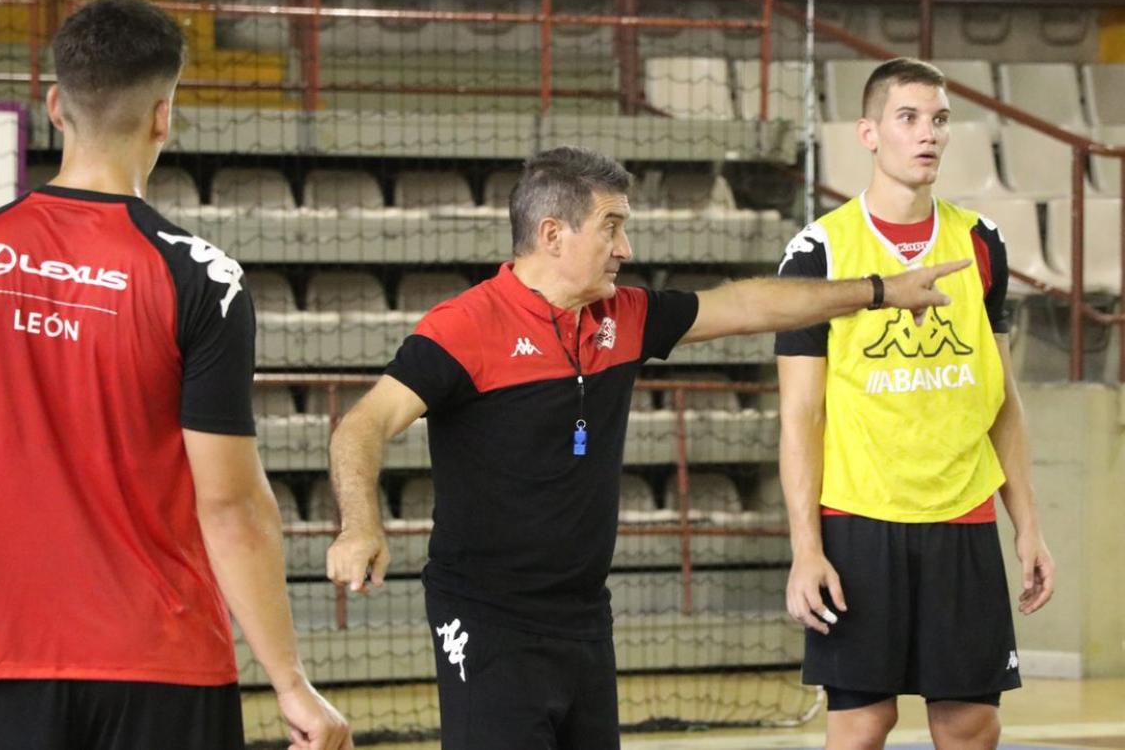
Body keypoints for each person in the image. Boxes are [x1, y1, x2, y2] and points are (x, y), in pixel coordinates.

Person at [325, 145, 967, 750]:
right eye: (610, 227)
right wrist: (360, 525)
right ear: (553, 235)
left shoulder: (624, 316)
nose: (624, 248)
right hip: (485, 618)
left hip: (584, 616)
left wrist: (879, 291)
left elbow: (748, 305)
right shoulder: (465, 327)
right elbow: (362, 424)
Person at [0, 0, 350, 750]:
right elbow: (232, 507)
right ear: (163, 115)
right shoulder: (202, 277)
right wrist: (289, 683)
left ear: (54, 104)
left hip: (3, 669)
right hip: (165, 673)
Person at [776, 57, 1056, 750]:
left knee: (970, 727)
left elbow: (1000, 398)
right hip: (859, 519)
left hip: (961, 515)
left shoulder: (981, 243)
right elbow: (800, 416)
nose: (927, 134)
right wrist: (805, 547)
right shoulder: (819, 252)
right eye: (908, 118)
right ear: (869, 133)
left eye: (938, 120)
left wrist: (1027, 524)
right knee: (863, 726)